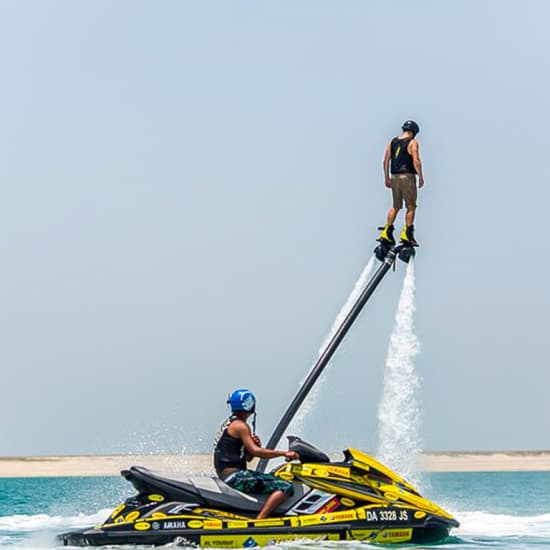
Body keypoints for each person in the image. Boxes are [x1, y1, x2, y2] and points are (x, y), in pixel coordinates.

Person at [214, 389, 299, 519]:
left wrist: (253, 447)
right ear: (249, 404)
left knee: (272, 477)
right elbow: (256, 452)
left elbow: (248, 457)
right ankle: (260, 521)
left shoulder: (230, 423)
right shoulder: (240, 426)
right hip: (236, 477)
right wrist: (284, 453)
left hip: (229, 475)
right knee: (285, 486)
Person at [378, 120, 425, 247]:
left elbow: (385, 160)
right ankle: (407, 232)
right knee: (411, 206)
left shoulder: (392, 142)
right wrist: (420, 176)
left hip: (394, 176)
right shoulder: (412, 143)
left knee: (396, 206)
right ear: (414, 132)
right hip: (407, 176)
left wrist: (386, 177)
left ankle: (387, 231)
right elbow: (416, 160)